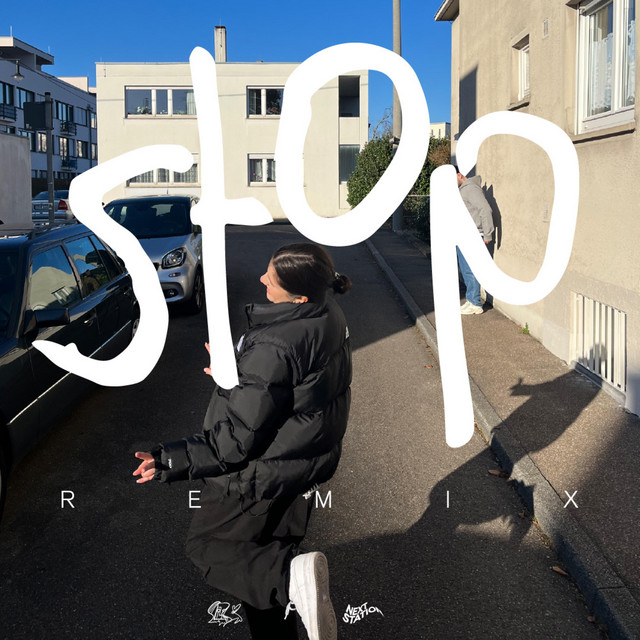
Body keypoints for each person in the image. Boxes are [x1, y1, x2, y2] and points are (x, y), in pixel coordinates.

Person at [132, 242, 352, 640]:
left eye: (273, 278)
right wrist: (236, 376)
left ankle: (290, 579)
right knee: (259, 571)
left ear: (299, 296)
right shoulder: (327, 312)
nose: (262, 278)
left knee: (208, 547)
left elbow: (235, 440)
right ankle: (291, 583)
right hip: (297, 471)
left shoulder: (275, 344)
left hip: (257, 480)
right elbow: (286, 391)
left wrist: (168, 461)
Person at [455, 166, 494, 315]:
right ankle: (472, 299)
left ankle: (475, 303)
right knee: (466, 269)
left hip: (473, 235)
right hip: (465, 235)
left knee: (471, 269)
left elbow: (485, 209)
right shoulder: (463, 190)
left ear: (459, 175)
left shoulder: (470, 189)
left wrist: (487, 234)